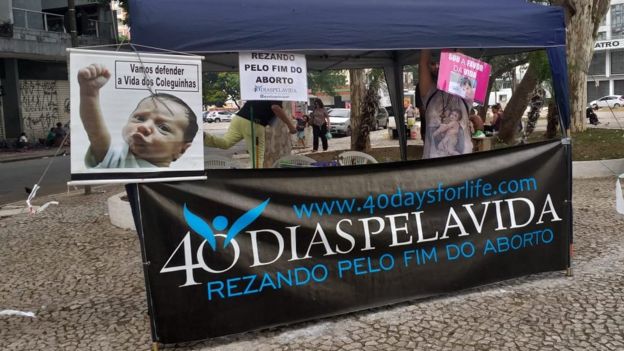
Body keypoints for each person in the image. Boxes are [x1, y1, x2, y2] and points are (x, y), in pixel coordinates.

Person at [78, 63, 198, 168]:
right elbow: (97, 135)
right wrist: (89, 94)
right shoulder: (121, 159)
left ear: (182, 150)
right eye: (140, 118)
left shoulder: (179, 179)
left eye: (163, 128)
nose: (144, 126)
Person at [204, 100, 297, 168]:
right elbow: (275, 107)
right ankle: (254, 185)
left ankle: (203, 136)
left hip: (238, 118)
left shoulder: (258, 88)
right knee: (257, 160)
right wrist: (290, 126)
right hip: (254, 123)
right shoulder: (274, 91)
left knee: (225, 143)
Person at [418, 49, 473, 158]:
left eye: (444, 62)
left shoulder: (464, 95)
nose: (440, 66)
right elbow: (423, 63)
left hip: (464, 163)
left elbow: (461, 57)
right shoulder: (430, 92)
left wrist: (454, 57)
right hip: (434, 162)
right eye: (436, 63)